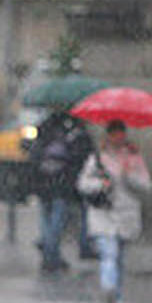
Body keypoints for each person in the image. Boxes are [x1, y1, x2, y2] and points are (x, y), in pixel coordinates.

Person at [76, 120, 152, 303]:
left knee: (119, 258)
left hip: (126, 214)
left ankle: (117, 297)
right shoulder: (97, 157)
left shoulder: (134, 157)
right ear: (108, 136)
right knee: (109, 253)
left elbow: (147, 186)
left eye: (121, 134)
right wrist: (101, 184)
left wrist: (129, 176)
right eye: (114, 134)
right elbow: (82, 184)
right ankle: (108, 288)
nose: (118, 138)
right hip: (104, 213)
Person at [28, 109, 96, 273]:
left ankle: (50, 253)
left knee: (46, 219)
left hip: (43, 181)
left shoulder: (44, 130)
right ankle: (50, 255)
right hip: (60, 184)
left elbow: (33, 154)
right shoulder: (72, 133)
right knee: (57, 221)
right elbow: (79, 158)